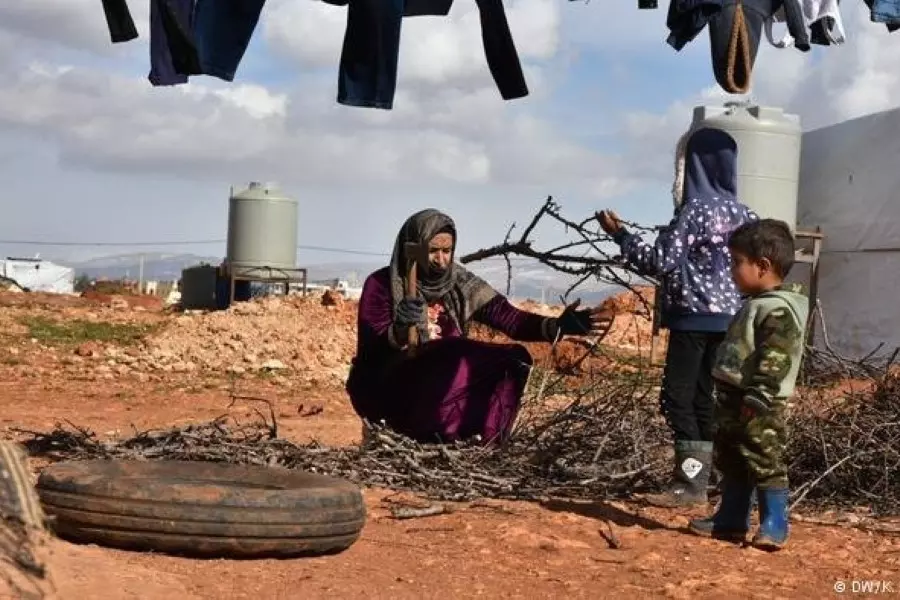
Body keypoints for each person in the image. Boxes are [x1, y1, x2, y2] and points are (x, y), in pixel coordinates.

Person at [346, 208, 614, 444]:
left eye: (447, 251)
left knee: (514, 359)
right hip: (395, 386)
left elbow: (509, 318)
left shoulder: (460, 283)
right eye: (432, 251)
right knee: (456, 354)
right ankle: (432, 430)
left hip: (446, 383)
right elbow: (373, 346)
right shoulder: (381, 285)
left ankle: (484, 441)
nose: (441, 260)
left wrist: (558, 325)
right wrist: (402, 328)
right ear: (413, 247)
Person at [598, 127, 756, 507]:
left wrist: (620, 236)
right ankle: (708, 482)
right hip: (731, 319)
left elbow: (660, 262)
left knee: (677, 398)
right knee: (705, 398)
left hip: (692, 318)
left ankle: (689, 484)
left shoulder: (695, 210)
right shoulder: (747, 214)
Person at [688, 219, 808, 551]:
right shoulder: (756, 304)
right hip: (733, 397)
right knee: (733, 457)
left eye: (736, 262)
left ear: (763, 266)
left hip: (759, 400)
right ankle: (731, 518)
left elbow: (776, 356)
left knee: (763, 456)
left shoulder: (777, 310)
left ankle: (775, 523)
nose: (731, 270)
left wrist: (761, 393)